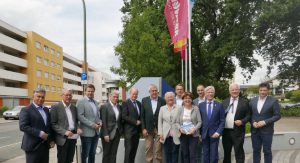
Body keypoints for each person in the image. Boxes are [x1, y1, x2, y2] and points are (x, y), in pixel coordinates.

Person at [19, 88, 55, 163]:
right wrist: (40, 133)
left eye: (43, 97)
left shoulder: (46, 109)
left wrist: (51, 140)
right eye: (38, 96)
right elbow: (23, 126)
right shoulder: (26, 110)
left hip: (45, 146)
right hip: (33, 146)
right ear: (33, 97)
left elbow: (48, 126)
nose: (40, 99)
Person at [249, 82, 281, 163]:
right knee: (256, 151)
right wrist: (252, 122)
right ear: (258, 90)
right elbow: (250, 114)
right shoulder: (253, 101)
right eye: (261, 90)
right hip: (255, 131)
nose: (263, 92)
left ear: (268, 91)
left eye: (265, 90)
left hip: (267, 131)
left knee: (267, 151)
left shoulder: (273, 101)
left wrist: (265, 122)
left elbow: (277, 116)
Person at [50, 88, 82, 163]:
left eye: (70, 95)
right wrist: (64, 132)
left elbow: (76, 121)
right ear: (61, 95)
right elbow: (53, 124)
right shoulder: (55, 107)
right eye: (66, 95)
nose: (68, 97)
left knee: (70, 159)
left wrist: (77, 128)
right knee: (62, 160)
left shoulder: (74, 107)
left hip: (73, 137)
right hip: (62, 138)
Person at [221, 84, 250, 163]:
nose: (234, 91)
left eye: (236, 89)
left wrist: (242, 121)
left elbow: (248, 115)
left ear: (239, 90)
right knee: (226, 153)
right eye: (232, 90)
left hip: (238, 131)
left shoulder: (245, 102)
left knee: (239, 152)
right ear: (229, 91)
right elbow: (220, 116)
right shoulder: (224, 102)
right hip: (226, 132)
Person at [199, 86, 225, 163]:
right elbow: (199, 120)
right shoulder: (201, 105)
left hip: (215, 134)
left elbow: (222, 120)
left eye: (211, 92)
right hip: (204, 134)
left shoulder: (219, 105)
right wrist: (200, 134)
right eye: (208, 92)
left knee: (214, 155)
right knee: (205, 154)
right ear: (205, 93)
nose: (210, 94)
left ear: (214, 93)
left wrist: (218, 132)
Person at [76, 84, 101, 163]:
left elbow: (96, 115)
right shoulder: (81, 101)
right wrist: (93, 125)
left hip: (96, 133)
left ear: (94, 92)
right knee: (85, 154)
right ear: (85, 91)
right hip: (86, 133)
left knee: (92, 154)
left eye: (92, 91)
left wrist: (100, 122)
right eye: (89, 91)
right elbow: (80, 116)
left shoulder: (95, 102)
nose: (90, 93)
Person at [141, 84, 166, 163]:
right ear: (149, 92)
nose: (154, 92)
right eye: (153, 91)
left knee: (158, 149)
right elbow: (142, 115)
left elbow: (164, 115)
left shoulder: (162, 100)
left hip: (160, 128)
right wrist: (143, 128)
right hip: (148, 128)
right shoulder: (144, 100)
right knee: (148, 148)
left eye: (156, 91)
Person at [100, 90, 123, 163]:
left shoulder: (119, 106)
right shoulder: (104, 106)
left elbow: (119, 120)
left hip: (117, 133)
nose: (116, 98)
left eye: (117, 97)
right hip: (108, 134)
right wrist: (105, 134)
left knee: (114, 153)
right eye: (114, 96)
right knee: (106, 154)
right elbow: (103, 121)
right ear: (110, 97)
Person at [158, 92, 181, 163]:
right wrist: (160, 133)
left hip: (176, 133)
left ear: (174, 98)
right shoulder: (162, 108)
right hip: (165, 134)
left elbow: (181, 120)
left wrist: (181, 129)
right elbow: (160, 121)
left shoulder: (179, 107)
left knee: (175, 153)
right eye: (168, 97)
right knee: (167, 153)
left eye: (171, 97)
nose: (170, 98)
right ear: (165, 99)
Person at [179, 92, 202, 163]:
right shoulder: (180, 109)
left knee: (193, 155)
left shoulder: (196, 109)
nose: (187, 100)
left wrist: (194, 129)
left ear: (192, 99)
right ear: (183, 100)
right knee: (185, 154)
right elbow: (176, 122)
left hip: (193, 135)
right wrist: (180, 129)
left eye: (189, 98)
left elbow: (200, 122)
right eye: (185, 98)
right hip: (183, 135)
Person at [122, 88, 142, 163]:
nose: (135, 95)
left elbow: (140, 116)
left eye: (136, 94)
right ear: (130, 94)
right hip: (129, 132)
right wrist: (135, 121)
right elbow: (124, 116)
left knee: (134, 152)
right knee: (128, 152)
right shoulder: (125, 103)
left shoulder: (139, 103)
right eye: (133, 94)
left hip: (136, 132)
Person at [193, 84, 206, 163]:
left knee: (205, 151)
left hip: (206, 128)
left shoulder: (209, 99)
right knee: (197, 151)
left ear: (204, 90)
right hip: (197, 129)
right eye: (199, 90)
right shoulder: (194, 101)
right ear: (197, 92)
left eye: (202, 90)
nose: (200, 92)